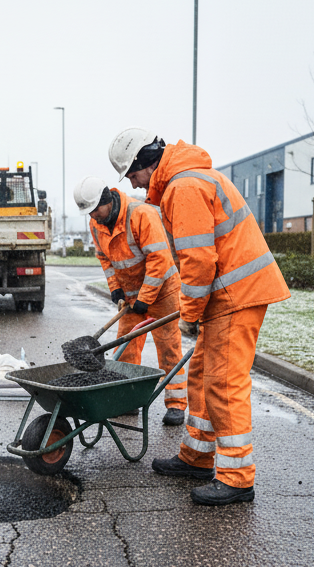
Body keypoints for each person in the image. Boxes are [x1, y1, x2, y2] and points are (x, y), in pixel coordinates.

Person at [109, 128, 291, 506]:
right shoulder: (186, 180)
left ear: (145, 163)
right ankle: (197, 456)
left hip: (234, 296)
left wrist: (188, 315)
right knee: (203, 376)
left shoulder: (184, 187)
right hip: (227, 295)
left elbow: (199, 260)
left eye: (131, 174)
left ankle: (237, 478)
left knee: (223, 385)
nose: (133, 184)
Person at [73, 176, 187, 426]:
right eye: (88, 213)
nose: (92, 216)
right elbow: (105, 257)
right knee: (125, 348)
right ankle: (127, 400)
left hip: (163, 291)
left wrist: (146, 299)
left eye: (94, 210)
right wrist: (116, 289)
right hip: (132, 295)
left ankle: (176, 404)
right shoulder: (96, 225)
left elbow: (159, 259)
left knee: (168, 347)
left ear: (106, 200)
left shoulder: (140, 214)